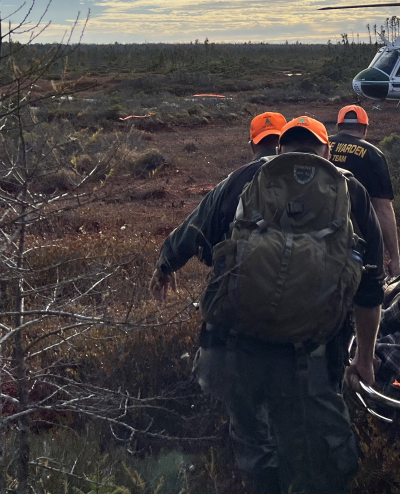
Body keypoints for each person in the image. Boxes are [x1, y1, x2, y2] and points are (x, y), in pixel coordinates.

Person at [152, 116, 385, 494]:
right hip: (309, 355)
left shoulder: (244, 179)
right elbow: (370, 291)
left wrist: (165, 264)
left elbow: (194, 232)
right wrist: (364, 359)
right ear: (327, 151)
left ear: (279, 148)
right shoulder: (351, 191)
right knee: (318, 460)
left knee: (255, 444)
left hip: (236, 348)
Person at [153, 111, 287, 284]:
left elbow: (196, 226)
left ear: (252, 146)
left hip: (244, 286)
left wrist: (165, 264)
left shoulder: (236, 180)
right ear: (283, 145)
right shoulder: (311, 179)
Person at [328, 104, 400, 276]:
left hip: (319, 238)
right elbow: (383, 209)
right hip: (360, 244)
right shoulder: (373, 154)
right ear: (365, 128)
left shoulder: (322, 147)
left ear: (339, 126)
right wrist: (394, 258)